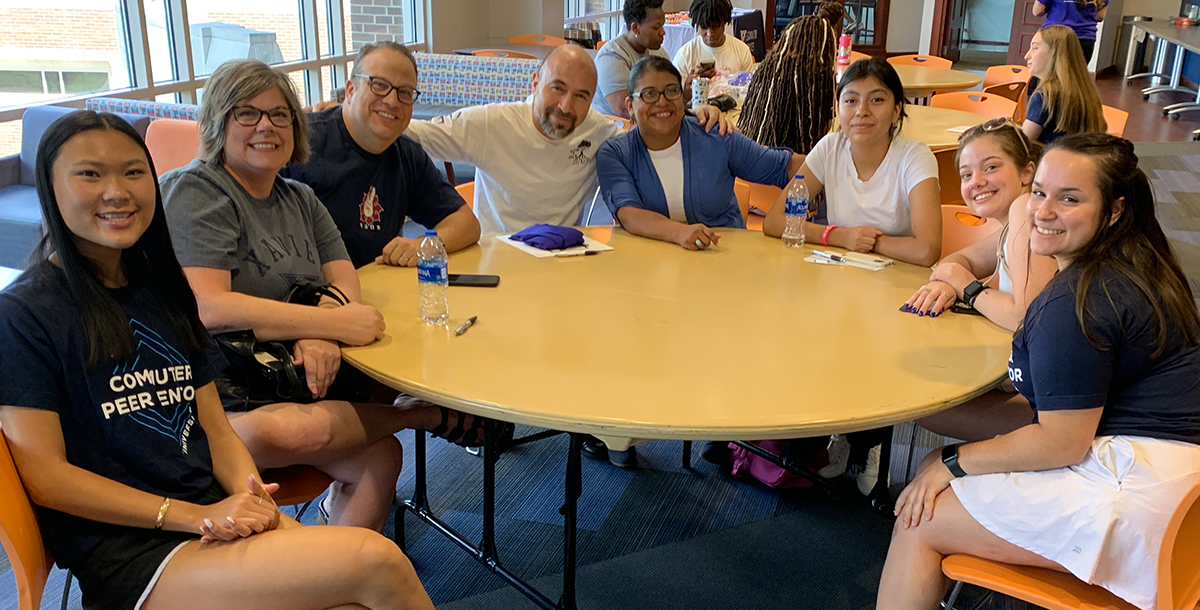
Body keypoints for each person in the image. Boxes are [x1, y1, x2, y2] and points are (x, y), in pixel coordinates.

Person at [0, 110, 434, 610]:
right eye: (90, 174)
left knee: (355, 601)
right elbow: (47, 478)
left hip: (211, 517)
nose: (116, 191)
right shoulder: (25, 314)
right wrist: (191, 517)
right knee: (376, 560)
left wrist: (254, 500)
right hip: (134, 554)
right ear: (50, 188)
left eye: (133, 172)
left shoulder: (161, 292)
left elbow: (215, 427)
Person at [877, 133, 1200, 610]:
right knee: (937, 455)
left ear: (1114, 210)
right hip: (1177, 476)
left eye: (1069, 199)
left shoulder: (1074, 302)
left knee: (918, 518)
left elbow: (1060, 441)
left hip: (1144, 498)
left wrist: (953, 463)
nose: (1042, 211)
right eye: (1041, 193)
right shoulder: (1138, 262)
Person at [161, 60, 486, 532]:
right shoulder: (198, 190)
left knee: (380, 458)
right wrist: (327, 325)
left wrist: (325, 334)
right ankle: (422, 415)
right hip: (208, 405)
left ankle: (333, 583)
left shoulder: (298, 198)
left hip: (284, 379)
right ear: (218, 122)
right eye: (247, 114)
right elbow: (210, 308)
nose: (266, 127)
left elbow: (343, 283)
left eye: (280, 115)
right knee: (301, 429)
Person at [403, 44, 731, 236]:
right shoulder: (490, 123)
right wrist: (357, 116)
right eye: (557, 88)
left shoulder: (598, 130)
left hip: (561, 260)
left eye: (581, 96)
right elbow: (419, 135)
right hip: (496, 259)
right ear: (535, 83)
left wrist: (694, 113)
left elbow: (646, 133)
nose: (565, 106)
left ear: (592, 101)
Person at [281, 41, 480, 269]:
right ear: (350, 90)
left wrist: (423, 245)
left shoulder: (407, 155)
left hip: (377, 291)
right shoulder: (298, 142)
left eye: (404, 92)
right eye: (379, 85)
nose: (392, 101)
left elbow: (467, 224)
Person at [598, 56, 803, 249]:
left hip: (724, 258)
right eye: (649, 94)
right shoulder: (616, 153)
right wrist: (680, 233)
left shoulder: (714, 135)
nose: (662, 102)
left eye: (671, 91)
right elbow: (630, 214)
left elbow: (781, 167)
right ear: (630, 106)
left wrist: (831, 157)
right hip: (650, 268)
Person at [763, 57, 941, 267]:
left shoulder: (915, 157)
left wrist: (870, 242)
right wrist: (840, 236)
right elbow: (775, 220)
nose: (861, 111)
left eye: (877, 100)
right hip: (841, 275)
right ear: (839, 109)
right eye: (851, 100)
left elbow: (927, 250)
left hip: (900, 281)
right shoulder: (830, 148)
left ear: (896, 111)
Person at [903, 118, 1055, 330]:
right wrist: (946, 284)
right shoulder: (1011, 224)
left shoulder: (1026, 208)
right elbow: (958, 262)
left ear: (1027, 173)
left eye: (991, 167)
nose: (976, 181)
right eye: (967, 174)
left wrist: (967, 287)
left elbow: (1025, 319)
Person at [738, 15, 837, 156]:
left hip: (753, 153)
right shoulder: (816, 80)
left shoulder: (767, 66)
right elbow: (818, 133)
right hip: (787, 164)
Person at [1022, 25, 1107, 145]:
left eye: (1034, 48)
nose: (1027, 56)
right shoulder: (1085, 91)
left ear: (1054, 54)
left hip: (1052, 161)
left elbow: (1022, 144)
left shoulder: (1045, 95)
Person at [593, 0, 670, 119]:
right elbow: (627, 110)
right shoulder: (611, 57)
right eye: (656, 27)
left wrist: (686, 92)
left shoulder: (657, 51)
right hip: (616, 128)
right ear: (635, 28)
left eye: (663, 25)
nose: (663, 32)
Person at [671, 0, 756, 93]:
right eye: (704, 27)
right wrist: (690, 87)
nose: (710, 34)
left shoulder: (741, 50)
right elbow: (676, 99)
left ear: (724, 23)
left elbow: (748, 91)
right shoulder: (684, 55)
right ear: (697, 25)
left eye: (715, 27)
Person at [1032, 0, 1107, 64]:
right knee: (1075, 76)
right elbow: (1100, 16)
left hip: (1056, 35)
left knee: (1046, 76)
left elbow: (1037, 11)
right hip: (1085, 38)